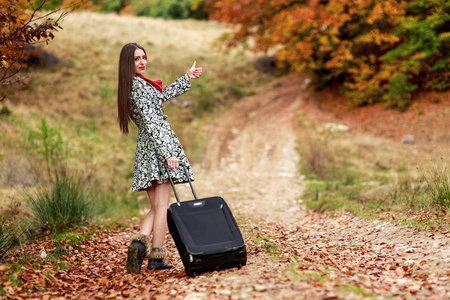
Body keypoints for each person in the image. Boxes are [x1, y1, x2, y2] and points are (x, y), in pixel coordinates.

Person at [117, 42, 202, 274]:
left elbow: (161, 96)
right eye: (136, 59)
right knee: (162, 206)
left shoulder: (134, 85)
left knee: (156, 206)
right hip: (157, 149)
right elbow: (154, 123)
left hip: (146, 149)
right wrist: (169, 154)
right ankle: (155, 256)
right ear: (128, 62)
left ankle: (138, 245)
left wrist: (186, 77)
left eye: (144, 57)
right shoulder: (138, 86)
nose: (143, 62)